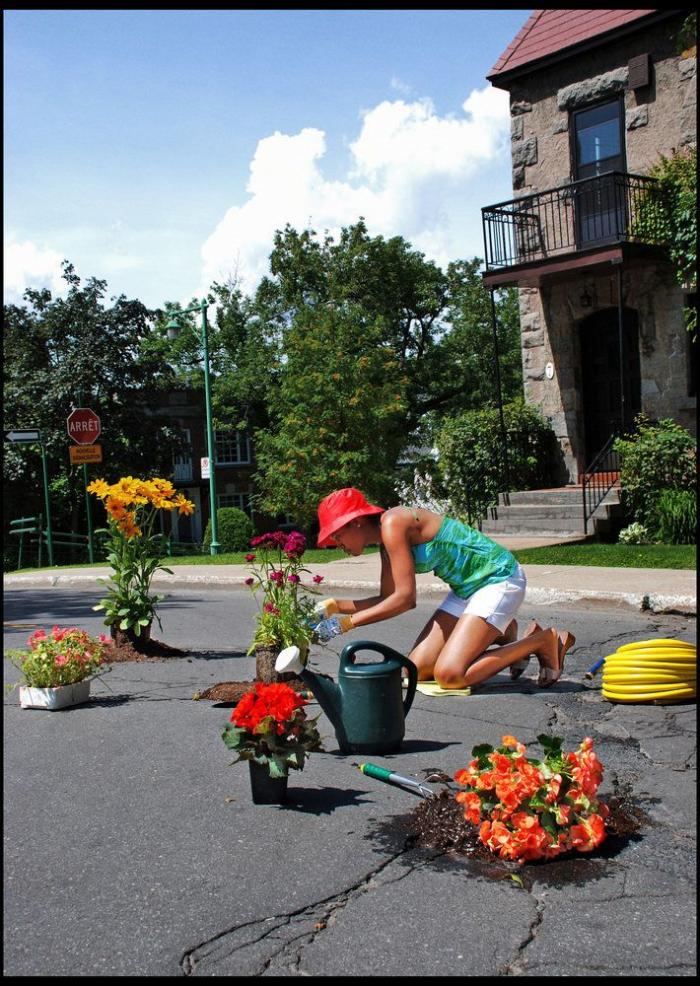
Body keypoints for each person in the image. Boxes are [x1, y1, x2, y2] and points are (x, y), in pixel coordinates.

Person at [310, 487, 575, 690]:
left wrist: (343, 625)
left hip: (498, 579)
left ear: (355, 522)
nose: (336, 542)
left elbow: (404, 600)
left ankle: (542, 641)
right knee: (415, 670)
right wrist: (332, 606)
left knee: (450, 676)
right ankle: (503, 630)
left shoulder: (393, 523)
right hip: (466, 591)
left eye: (337, 534)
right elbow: (386, 597)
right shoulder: (386, 542)